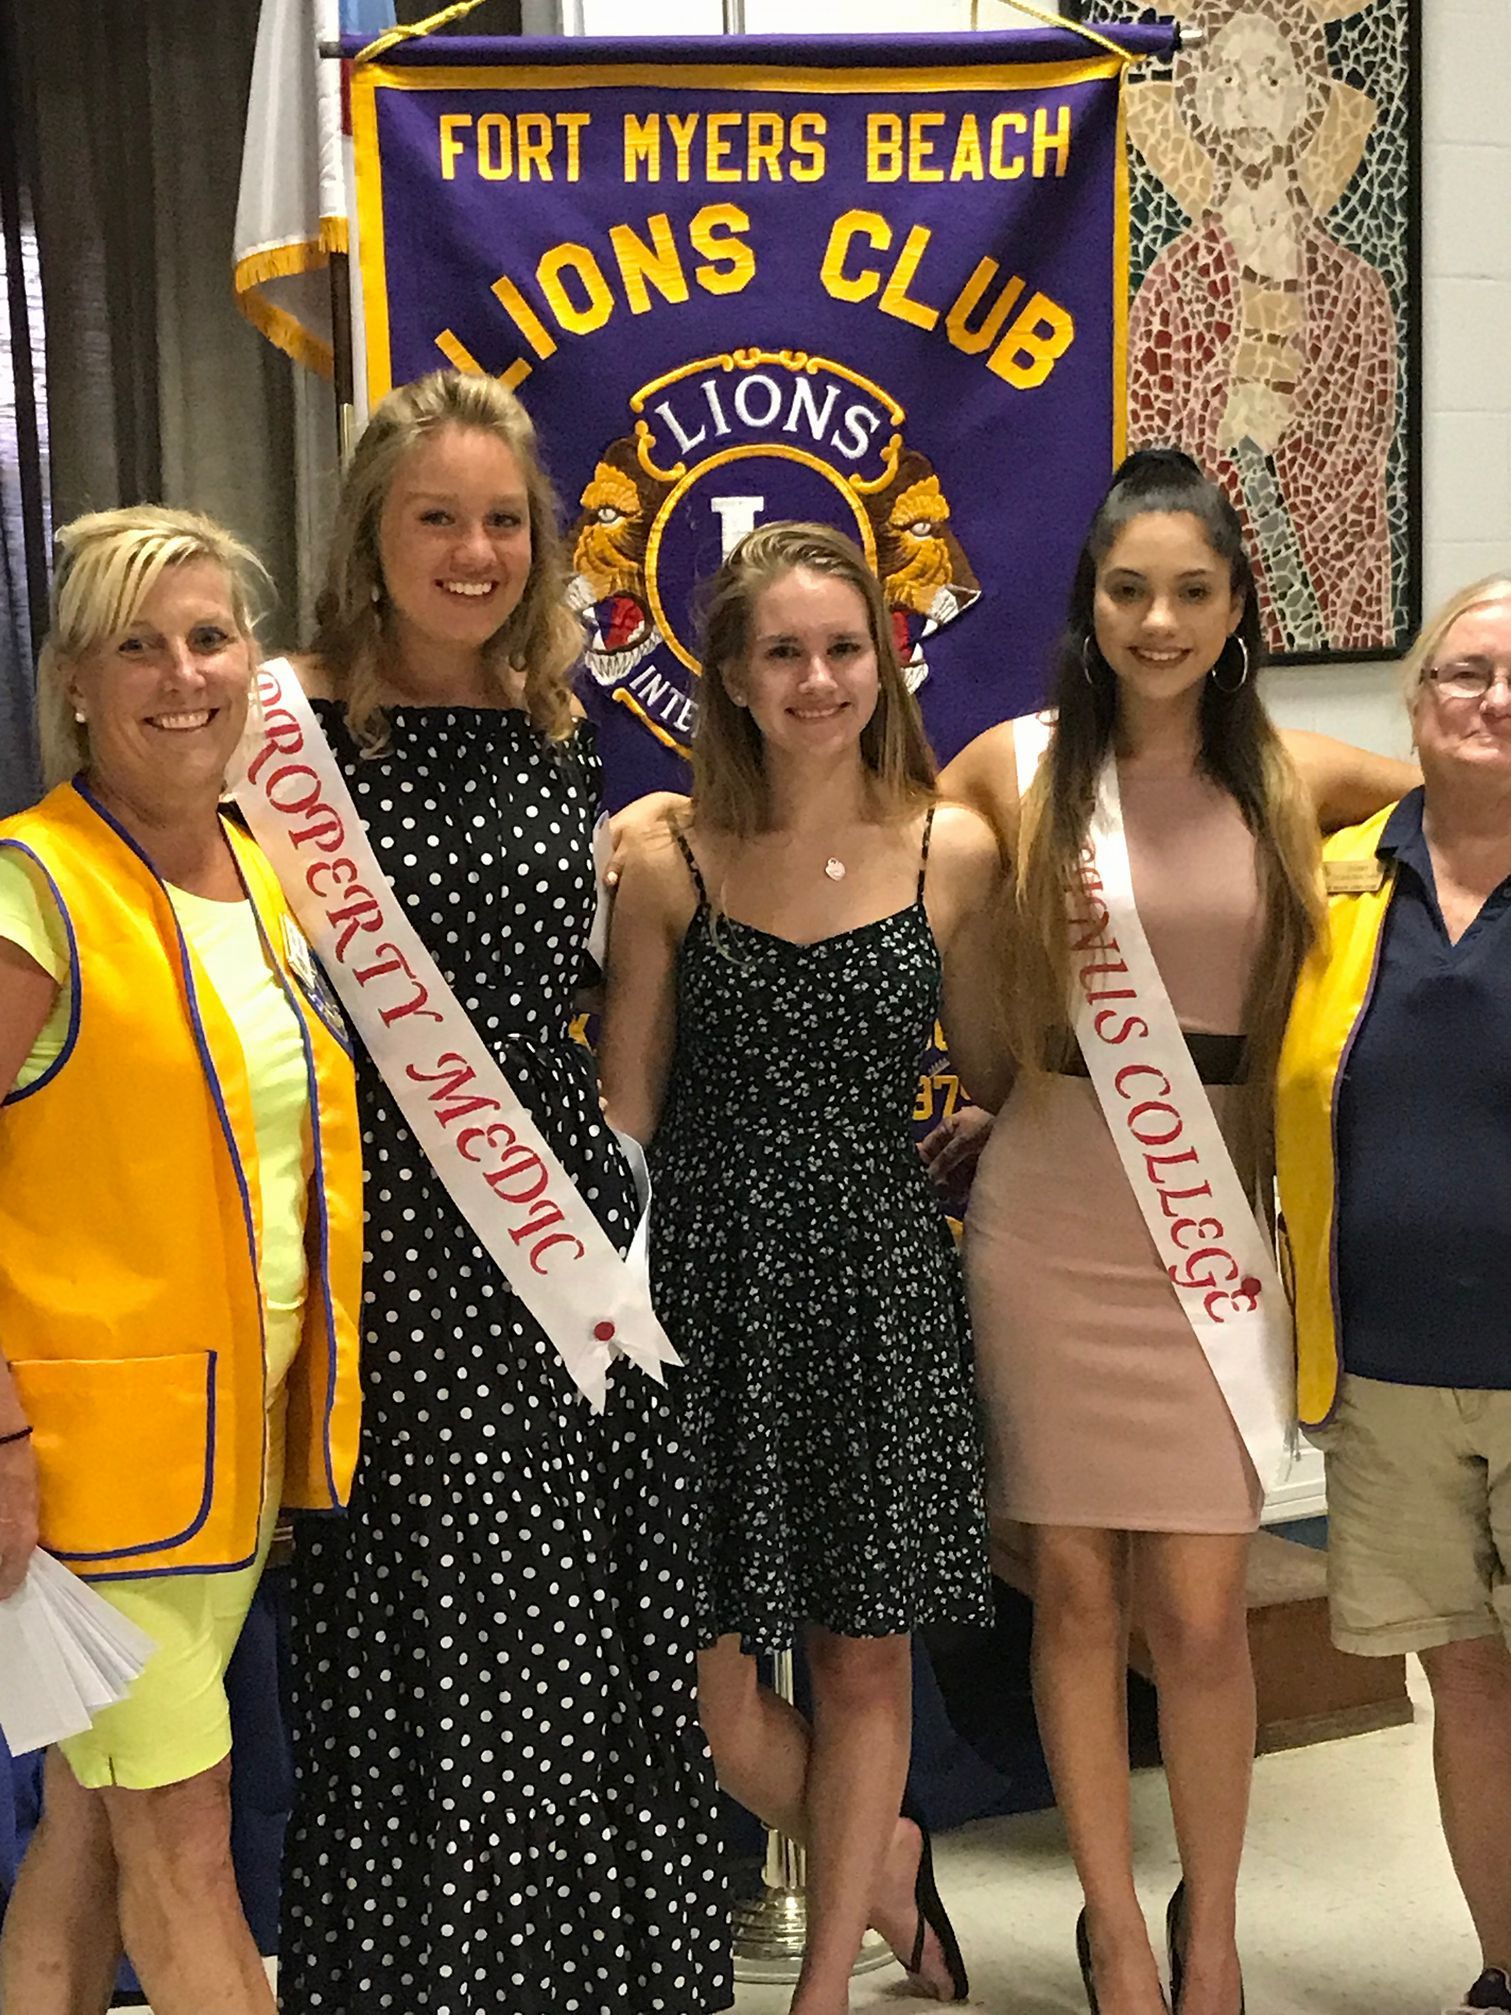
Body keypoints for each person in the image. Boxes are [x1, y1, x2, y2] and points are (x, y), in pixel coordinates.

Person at [263, 369, 729, 2015]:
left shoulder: (560, 722)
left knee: (581, 1653)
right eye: (435, 518)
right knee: (423, 1664)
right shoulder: (280, 727)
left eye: (503, 521)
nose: (473, 552)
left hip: (561, 1259)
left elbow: (589, 997)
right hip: (384, 1263)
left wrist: (610, 1164)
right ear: (368, 535)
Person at [939, 448, 1415, 2015]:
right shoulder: (1010, 770)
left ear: (1235, 609)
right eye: (1128, 590)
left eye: (1191, 592)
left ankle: (1211, 1930)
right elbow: (878, 877)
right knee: (1073, 1595)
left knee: (1202, 1611)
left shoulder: (1306, 772)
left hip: (1217, 1222)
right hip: (1053, 1206)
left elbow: (1461, 827)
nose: (1158, 620)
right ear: (1089, 604)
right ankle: (1119, 1933)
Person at [598, 521, 1003, 2015]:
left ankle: (827, 1980)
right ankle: (882, 1851)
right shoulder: (664, 854)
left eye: (845, 647)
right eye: (785, 650)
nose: (820, 677)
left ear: (886, 660)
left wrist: (981, 1119)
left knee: (859, 1664)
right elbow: (625, 1117)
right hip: (697, 1292)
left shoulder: (951, 848)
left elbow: (1002, 1072)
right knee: (694, 1675)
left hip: (877, 1293)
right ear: (733, 673)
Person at [0, 506, 363, 2015]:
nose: (182, 674)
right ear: (76, 680)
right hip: (97, 1473)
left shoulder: (255, 870)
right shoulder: (34, 883)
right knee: (188, 1851)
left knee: (90, 1832)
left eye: (210, 636)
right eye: (136, 644)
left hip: (223, 1450)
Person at [1276, 576, 1511, 2015]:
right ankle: (1502, 1963)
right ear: (1415, 706)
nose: (1494, 700)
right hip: (1390, 1372)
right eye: (1467, 673)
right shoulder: (1339, 879)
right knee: (1466, 1688)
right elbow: (1244, 1064)